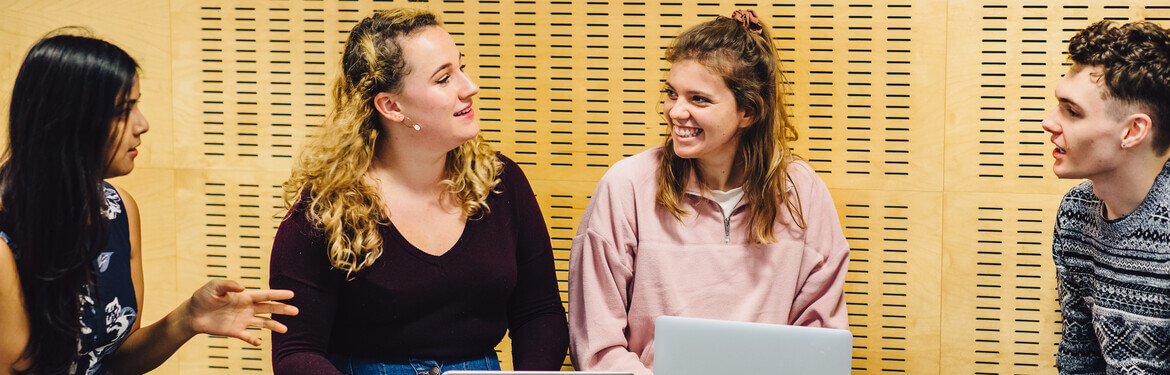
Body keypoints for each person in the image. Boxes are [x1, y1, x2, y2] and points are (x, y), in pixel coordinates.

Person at [268, 8, 569, 374]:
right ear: (391, 106)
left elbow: (540, 312)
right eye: (444, 79)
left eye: (462, 67)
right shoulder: (325, 209)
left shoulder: (502, 182)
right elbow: (296, 353)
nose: (469, 86)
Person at [568, 9, 850, 374]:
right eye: (672, 94)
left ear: (748, 111)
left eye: (698, 99)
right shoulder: (626, 186)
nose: (675, 112)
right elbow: (597, 345)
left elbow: (820, 340)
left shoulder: (802, 192)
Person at [0, 30, 299, 375]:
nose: (142, 124)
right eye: (123, 111)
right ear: (69, 121)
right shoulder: (6, 242)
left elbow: (115, 360)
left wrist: (188, 318)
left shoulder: (118, 209)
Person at [1044, 20, 1170, 374]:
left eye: (1071, 111)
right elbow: (1079, 357)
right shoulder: (1075, 213)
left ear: (1132, 131)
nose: (1048, 122)